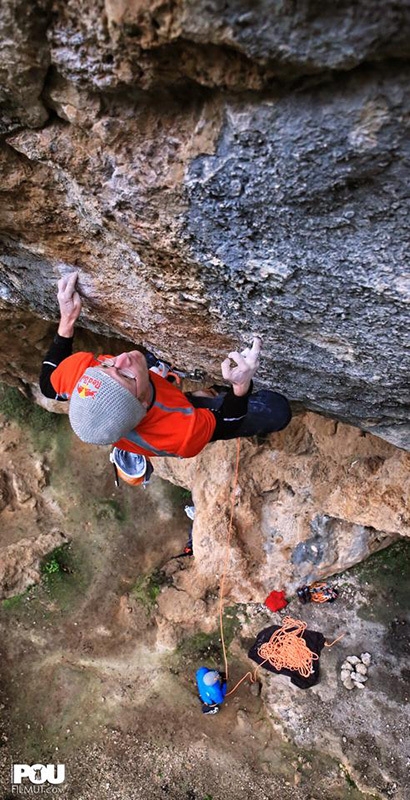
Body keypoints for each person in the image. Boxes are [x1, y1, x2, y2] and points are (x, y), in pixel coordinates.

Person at [40, 272, 291, 458]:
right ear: (143, 404)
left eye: (106, 366)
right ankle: (201, 397)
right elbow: (228, 423)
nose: (123, 357)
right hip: (172, 416)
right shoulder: (179, 434)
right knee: (276, 410)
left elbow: (47, 385)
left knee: (139, 364)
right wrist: (241, 387)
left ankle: (171, 383)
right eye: (126, 375)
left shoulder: (84, 377)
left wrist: (67, 320)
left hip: (146, 399)